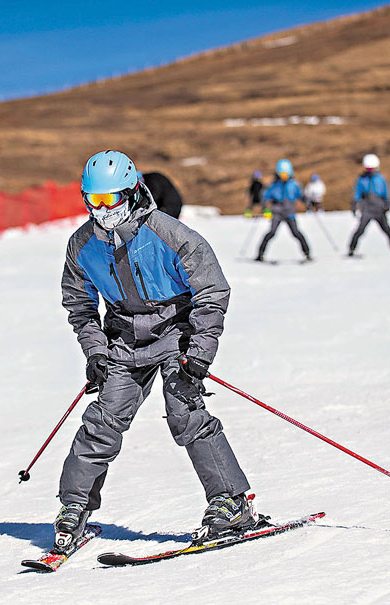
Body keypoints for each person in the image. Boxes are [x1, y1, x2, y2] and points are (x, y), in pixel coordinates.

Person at [54, 149, 255, 550]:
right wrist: (95, 353)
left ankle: (231, 504)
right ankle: (73, 509)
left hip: (174, 335)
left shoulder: (171, 234)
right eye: (92, 200)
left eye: (110, 199)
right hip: (124, 342)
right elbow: (79, 304)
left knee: (186, 414)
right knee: (102, 422)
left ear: (131, 192)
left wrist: (199, 352)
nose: (102, 209)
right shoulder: (83, 244)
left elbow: (212, 292)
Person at [255, 158, 312, 262]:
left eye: (286, 174)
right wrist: (264, 206)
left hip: (289, 213)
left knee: (296, 233)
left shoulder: (294, 185)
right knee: (271, 232)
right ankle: (260, 254)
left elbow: (301, 195)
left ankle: (307, 253)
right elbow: (265, 194)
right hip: (277, 212)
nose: (284, 177)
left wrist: (307, 201)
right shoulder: (274, 185)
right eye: (282, 174)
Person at [348, 153, 390, 256]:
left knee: (387, 229)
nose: (370, 171)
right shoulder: (361, 179)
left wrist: (387, 204)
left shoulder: (381, 179)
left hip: (379, 209)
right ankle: (351, 249)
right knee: (360, 230)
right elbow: (356, 193)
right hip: (367, 209)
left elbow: (386, 192)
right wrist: (354, 205)